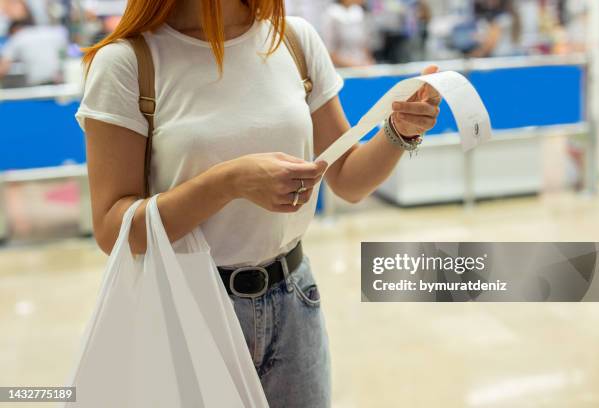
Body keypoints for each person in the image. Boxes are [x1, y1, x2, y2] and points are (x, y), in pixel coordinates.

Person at [77, 0, 441, 406]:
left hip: (294, 301)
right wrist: (229, 181)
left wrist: (398, 132)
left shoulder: (294, 41)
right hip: (189, 309)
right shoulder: (129, 61)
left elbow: (348, 179)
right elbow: (114, 228)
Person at [0, 17, 68, 85]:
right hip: (60, 81)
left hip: (38, 84)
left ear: (14, 30)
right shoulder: (53, 32)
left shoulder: (18, 37)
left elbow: (3, 68)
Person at [321, 0, 374, 67]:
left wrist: (369, 62)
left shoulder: (359, 13)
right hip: (341, 71)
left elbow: (365, 46)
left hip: (362, 69)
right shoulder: (332, 15)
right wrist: (353, 65)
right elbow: (329, 52)